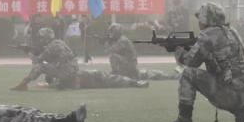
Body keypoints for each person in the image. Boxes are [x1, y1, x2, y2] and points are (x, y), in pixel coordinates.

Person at [161, 2, 244, 122]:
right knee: (226, 79)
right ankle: (240, 115)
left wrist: (178, 51)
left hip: (230, 95)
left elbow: (190, 62)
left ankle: (184, 121)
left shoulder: (208, 34)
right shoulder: (232, 32)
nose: (199, 22)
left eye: (200, 19)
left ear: (206, 19)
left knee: (188, 74)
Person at [13, 28, 148, 91]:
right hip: (74, 74)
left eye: (42, 37)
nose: (40, 39)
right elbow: (54, 61)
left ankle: (24, 83)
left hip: (69, 74)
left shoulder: (52, 46)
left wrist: (29, 54)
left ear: (46, 38)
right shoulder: (58, 43)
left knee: (40, 67)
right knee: (106, 78)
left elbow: (39, 62)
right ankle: (135, 83)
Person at [101, 23, 178, 81]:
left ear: (117, 32)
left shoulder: (122, 40)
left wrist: (107, 42)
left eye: (112, 32)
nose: (111, 34)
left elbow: (110, 50)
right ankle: (117, 72)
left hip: (130, 64)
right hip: (127, 63)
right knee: (147, 74)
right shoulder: (118, 40)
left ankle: (116, 72)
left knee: (113, 56)